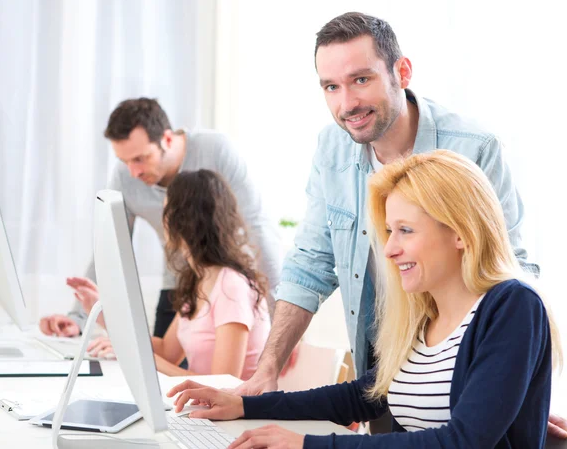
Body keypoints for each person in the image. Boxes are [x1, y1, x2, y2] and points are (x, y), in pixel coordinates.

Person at [234, 11, 567, 437]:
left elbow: (509, 266)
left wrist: (510, 384)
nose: (346, 103)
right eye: (331, 87)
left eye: (361, 80)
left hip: (464, 367)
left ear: (401, 71)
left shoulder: (473, 148)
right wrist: (260, 383)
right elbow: (311, 264)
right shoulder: (331, 149)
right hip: (399, 360)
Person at [167, 150, 563, 448]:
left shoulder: (512, 307)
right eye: (389, 232)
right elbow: (361, 396)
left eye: (405, 230)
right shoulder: (425, 314)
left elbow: (465, 441)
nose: (389, 250)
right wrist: (245, 406)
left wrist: (306, 444)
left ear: (460, 232)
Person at [39, 98, 281, 341]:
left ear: (166, 139)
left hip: (226, 287)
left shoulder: (216, 150)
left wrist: (280, 323)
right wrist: (79, 318)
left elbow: (257, 229)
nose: (134, 172)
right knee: (157, 371)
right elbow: (109, 248)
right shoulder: (125, 177)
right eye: (125, 161)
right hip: (180, 290)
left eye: (140, 159)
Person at [62, 170, 271, 379]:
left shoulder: (231, 286)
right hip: (204, 406)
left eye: (165, 211)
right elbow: (166, 352)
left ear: (182, 220)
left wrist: (135, 355)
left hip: (238, 410)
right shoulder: (199, 279)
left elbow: (223, 384)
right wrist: (103, 314)